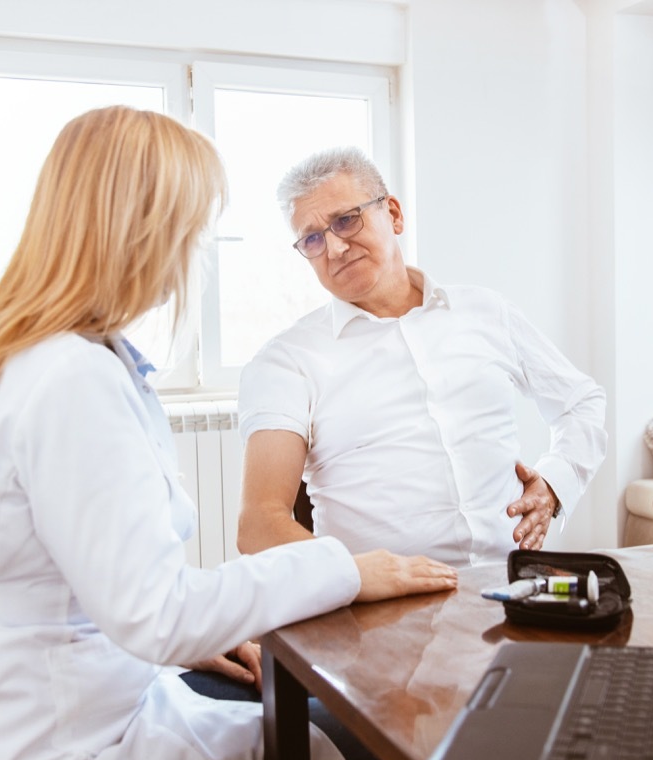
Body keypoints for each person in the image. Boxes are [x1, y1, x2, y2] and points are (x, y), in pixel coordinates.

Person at [0, 107, 457, 760]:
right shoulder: (70, 378)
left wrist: (186, 631)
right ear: (138, 231)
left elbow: (84, 580)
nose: (194, 251)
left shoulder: (31, 356)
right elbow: (156, 613)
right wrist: (344, 568)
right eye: (190, 228)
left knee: (311, 753)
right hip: (46, 758)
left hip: (28, 711)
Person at [237, 147, 606, 567]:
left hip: (511, 584)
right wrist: (365, 579)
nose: (335, 248)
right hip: (380, 609)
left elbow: (581, 403)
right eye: (313, 238)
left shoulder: (486, 312)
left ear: (393, 213)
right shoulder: (287, 361)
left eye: (346, 219)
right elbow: (259, 526)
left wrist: (555, 484)